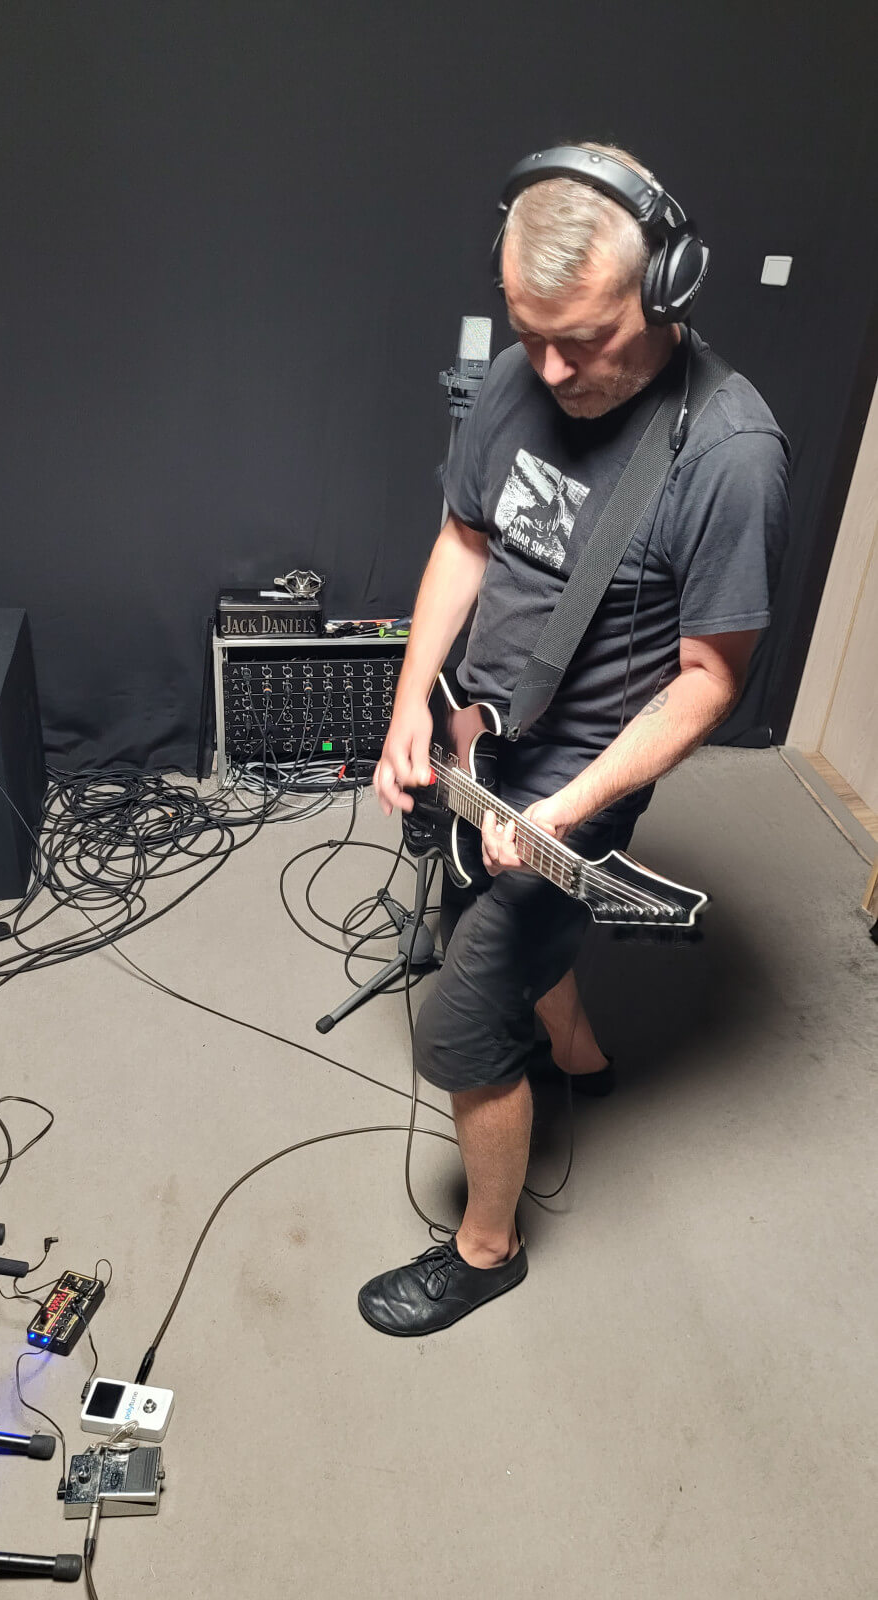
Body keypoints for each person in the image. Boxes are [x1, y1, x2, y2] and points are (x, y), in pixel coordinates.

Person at [358, 143, 790, 1336]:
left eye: (585, 341)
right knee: (492, 924)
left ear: (668, 289)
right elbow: (466, 539)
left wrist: (567, 808)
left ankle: (487, 1249)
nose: (551, 370)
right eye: (530, 334)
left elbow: (711, 681)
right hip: (483, 738)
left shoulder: (730, 455)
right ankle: (582, 1059)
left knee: (459, 1022)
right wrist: (412, 704)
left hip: (583, 779)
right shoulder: (520, 378)